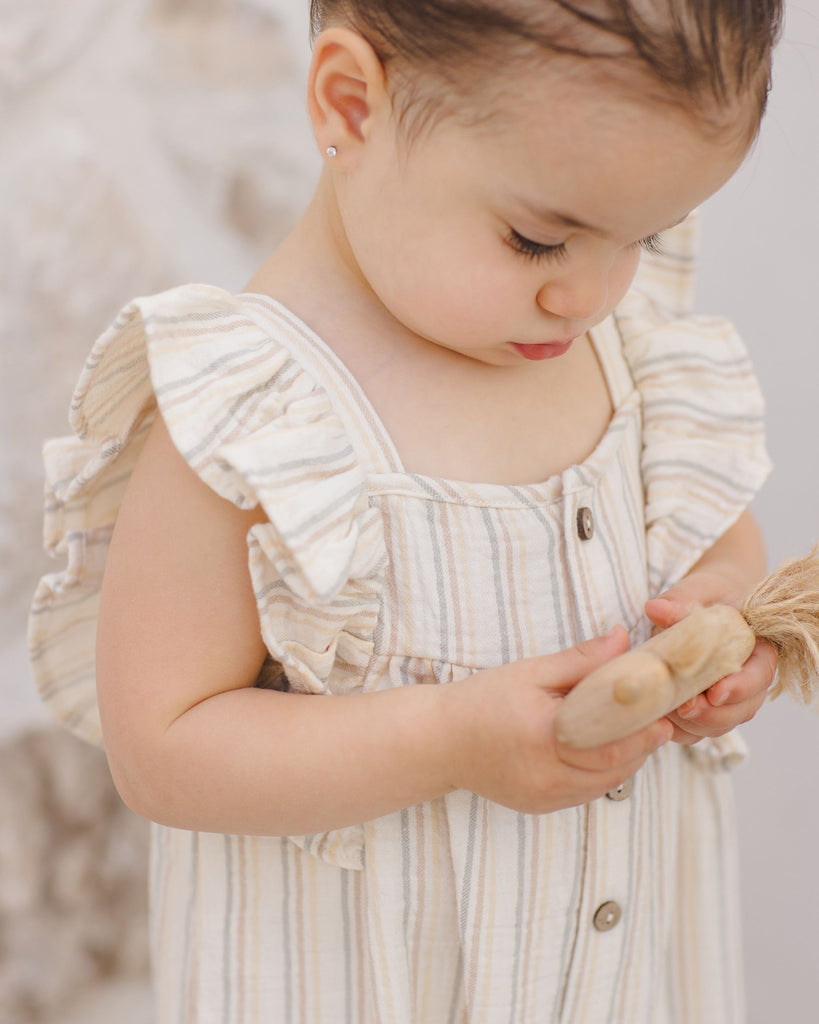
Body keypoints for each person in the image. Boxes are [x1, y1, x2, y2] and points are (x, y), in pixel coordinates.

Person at [29, 1, 782, 1020]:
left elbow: (710, 527)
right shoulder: (256, 416)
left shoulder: (624, 345)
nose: (593, 294)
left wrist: (719, 613)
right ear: (351, 104)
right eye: (536, 240)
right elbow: (161, 750)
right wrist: (447, 738)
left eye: (640, 236)